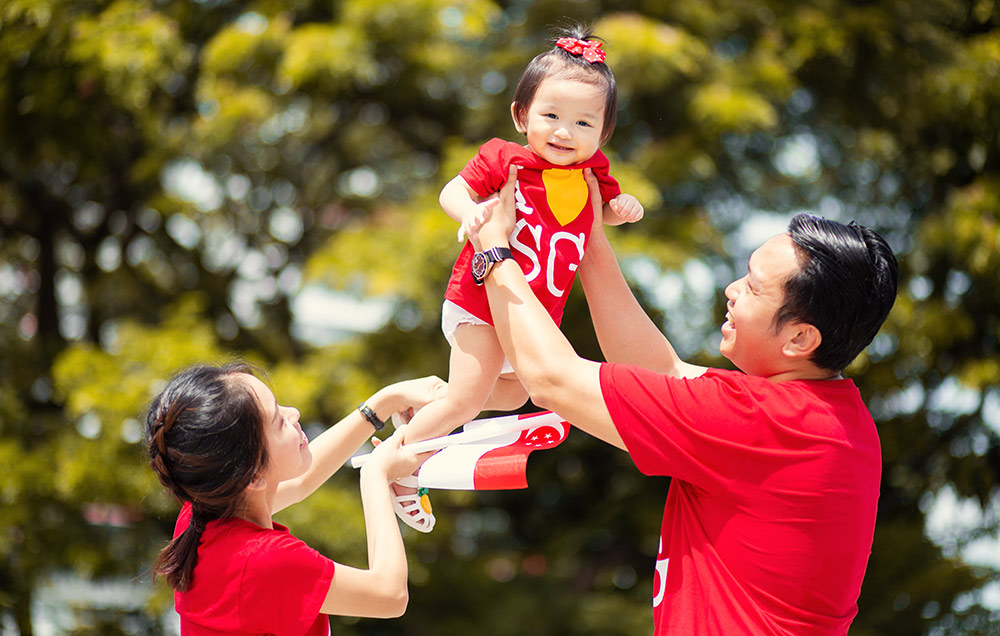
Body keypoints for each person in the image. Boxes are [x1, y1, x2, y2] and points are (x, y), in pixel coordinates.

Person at [468, 167, 898, 635]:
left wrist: (493, 251)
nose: (732, 291)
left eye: (752, 287)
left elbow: (553, 378)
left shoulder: (758, 419)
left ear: (799, 338)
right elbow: (665, 373)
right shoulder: (828, 419)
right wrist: (586, 233)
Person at [393, 24, 644, 532]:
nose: (564, 132)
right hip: (483, 299)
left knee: (511, 395)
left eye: (583, 123)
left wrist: (622, 207)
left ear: (603, 133)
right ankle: (398, 468)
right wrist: (468, 213)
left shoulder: (593, 173)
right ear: (521, 115)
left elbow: (602, 214)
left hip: (531, 315)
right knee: (467, 399)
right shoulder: (506, 159)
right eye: (550, 115)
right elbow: (451, 190)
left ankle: (420, 406)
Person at [144, 362, 444, 635]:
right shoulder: (264, 561)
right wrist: (375, 475)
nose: (294, 413)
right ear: (252, 476)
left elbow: (302, 480)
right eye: (278, 421)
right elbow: (389, 595)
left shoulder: (201, 516)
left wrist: (383, 402)